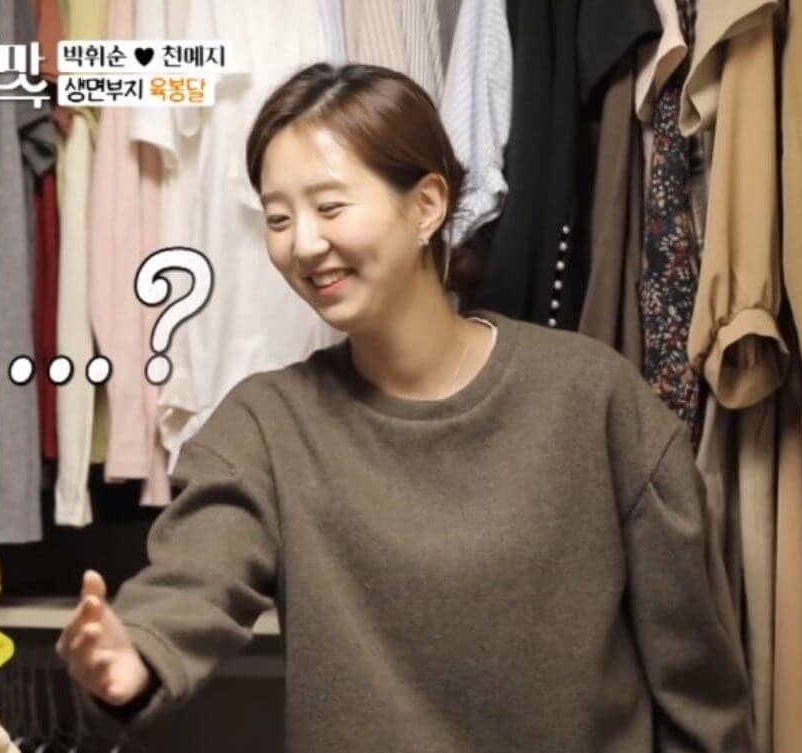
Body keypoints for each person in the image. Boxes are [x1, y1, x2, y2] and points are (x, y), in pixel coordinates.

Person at [56, 62, 753, 752]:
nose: (303, 244)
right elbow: (195, 577)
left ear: (426, 205)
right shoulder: (267, 425)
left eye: (330, 207)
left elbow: (697, 686)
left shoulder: (592, 397)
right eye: (278, 218)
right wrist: (135, 652)